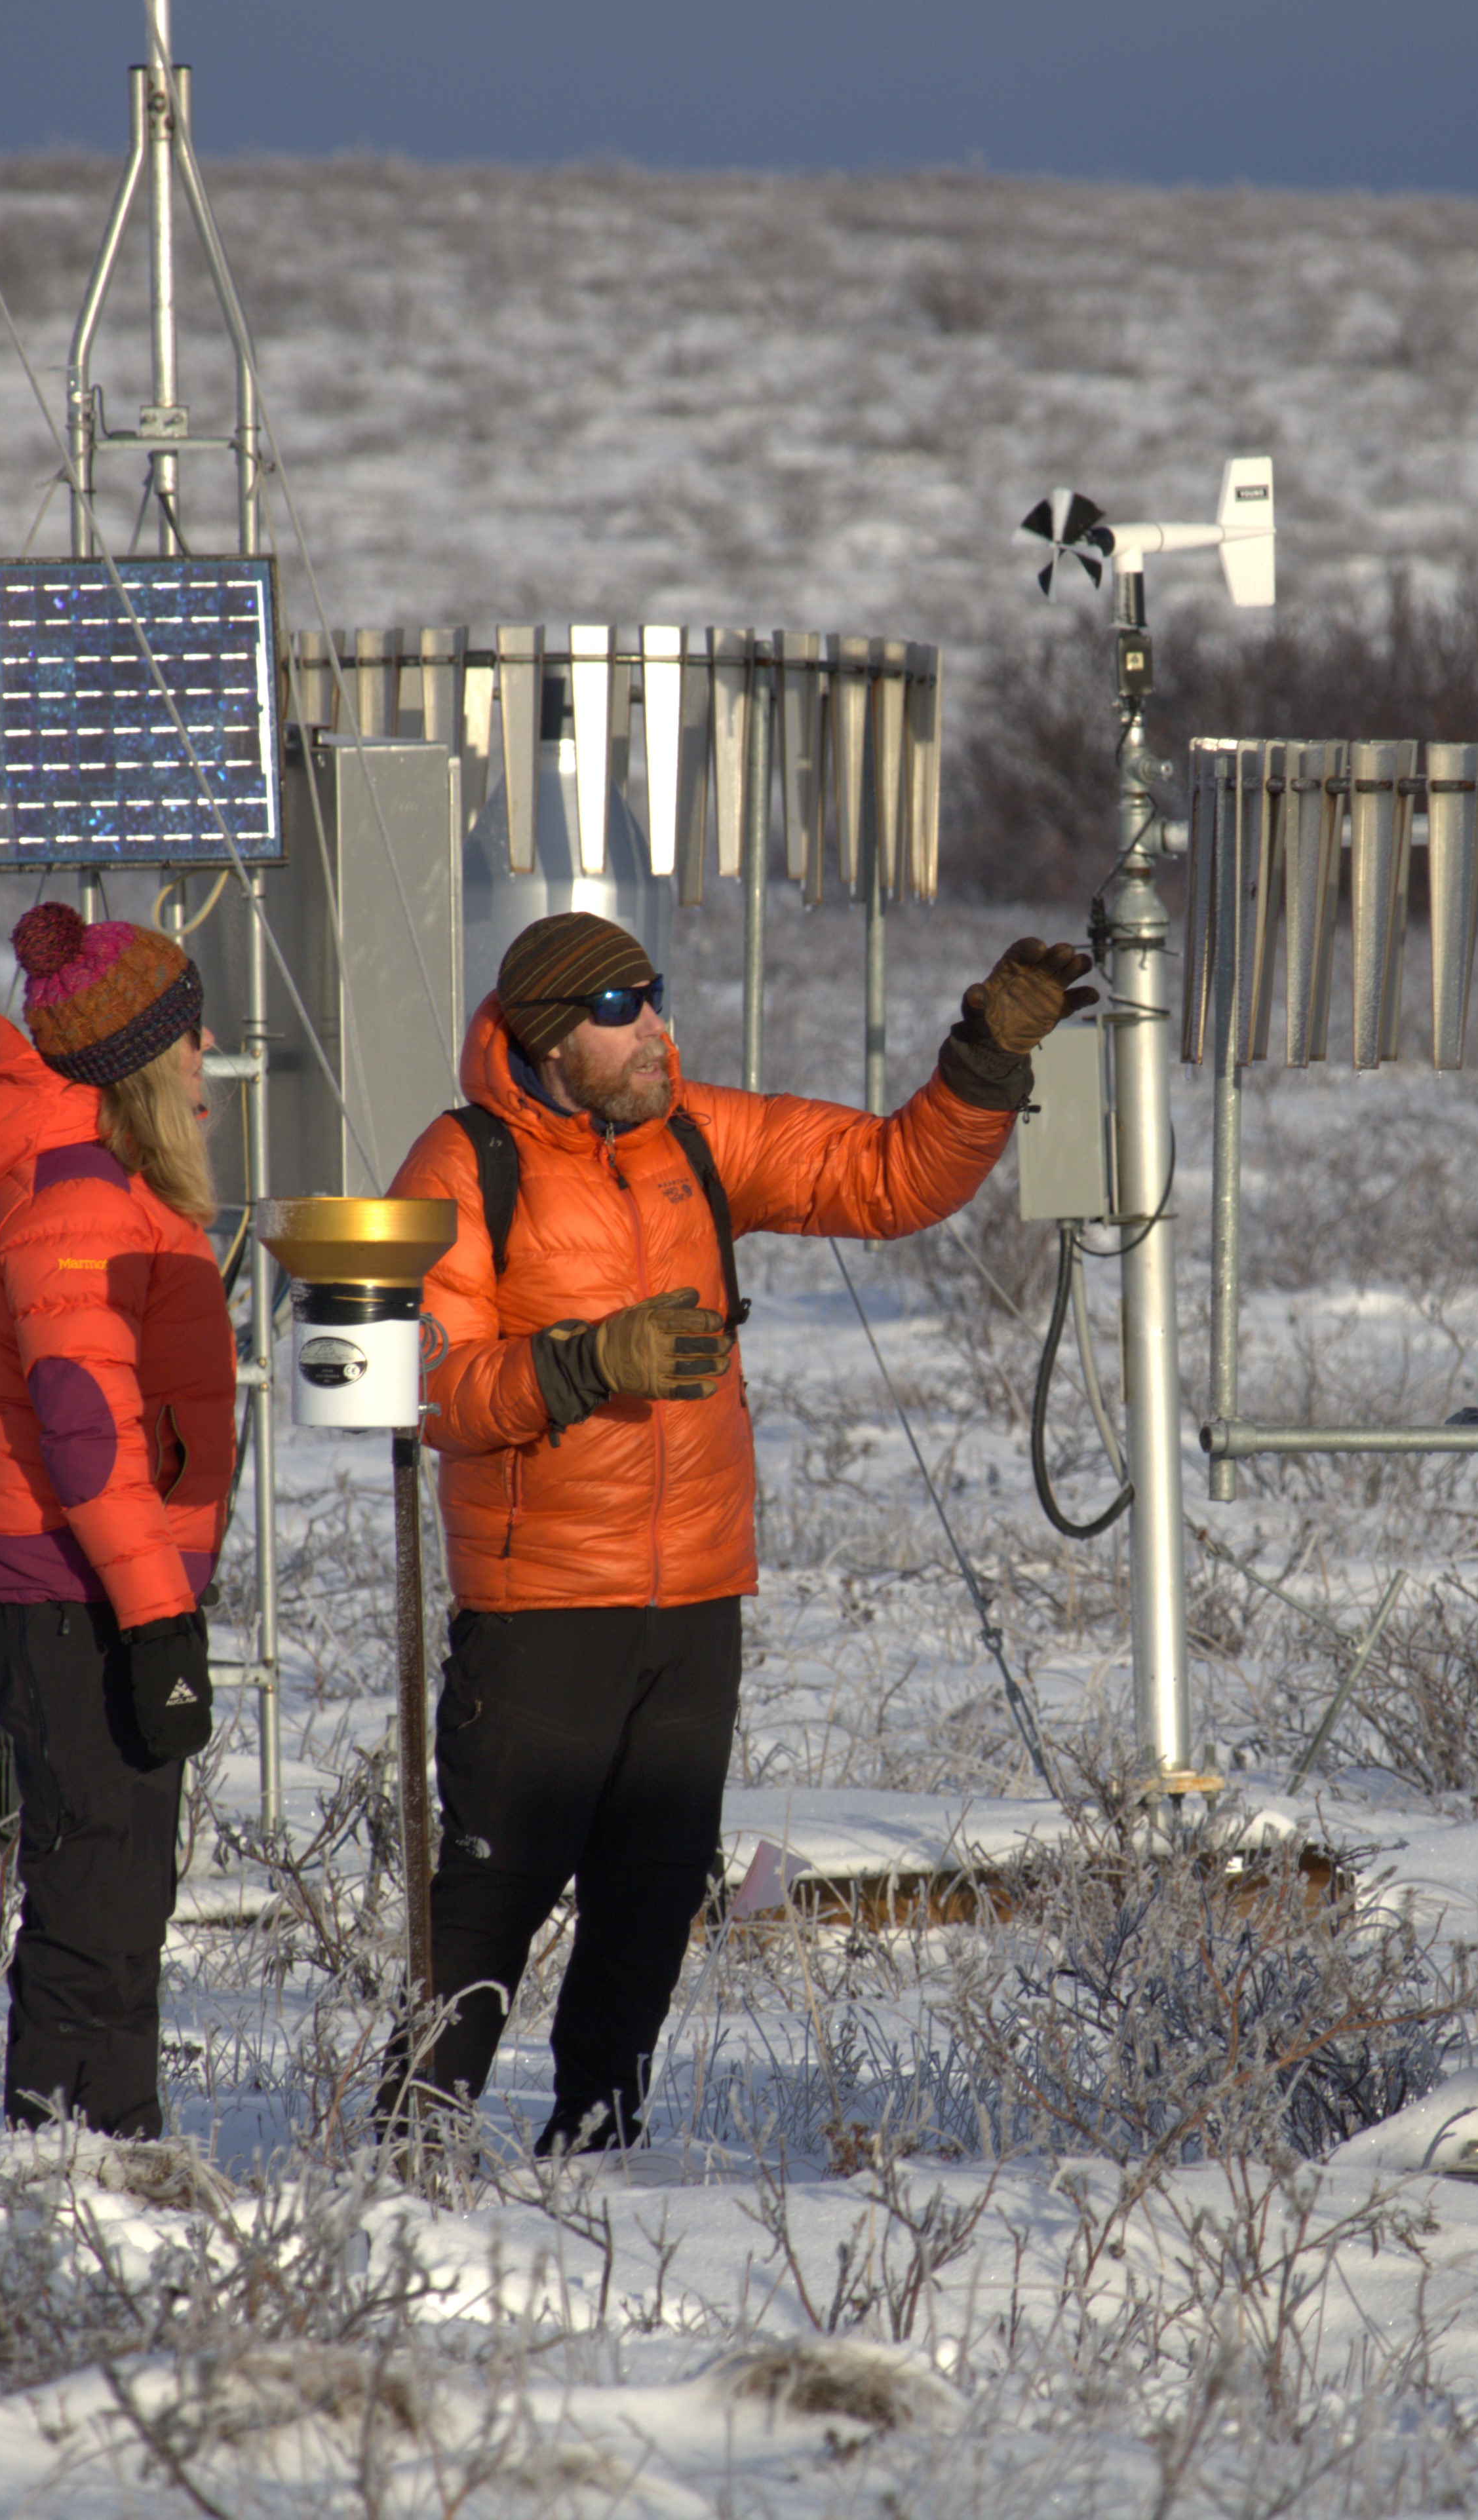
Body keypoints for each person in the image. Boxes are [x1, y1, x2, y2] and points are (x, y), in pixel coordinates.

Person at [383, 910, 1095, 2151]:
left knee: (652, 1904)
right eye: (621, 1012)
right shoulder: (461, 1165)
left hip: (696, 1600)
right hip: (541, 1606)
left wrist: (987, 1055)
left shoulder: (697, 1135)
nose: (656, 1024)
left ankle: (597, 2149)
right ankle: (404, 2153)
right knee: (489, 1910)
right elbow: (432, 1389)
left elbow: (886, 1177)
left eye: (655, 996)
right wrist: (590, 1362)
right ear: (554, 1042)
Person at [0, 900, 237, 2139]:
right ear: (142, 1062)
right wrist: (160, 1623)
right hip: (70, 1597)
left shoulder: (102, 1184)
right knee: (98, 1888)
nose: (207, 1051)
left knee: (117, 1880)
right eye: (190, 1031)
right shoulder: (77, 1204)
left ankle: (113, 2144)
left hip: (84, 1588)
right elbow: (91, 1442)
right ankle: (65, 2160)